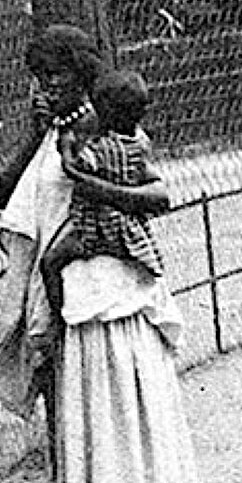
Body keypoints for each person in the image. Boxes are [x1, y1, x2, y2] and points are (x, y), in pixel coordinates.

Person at [0, 24, 200, 483]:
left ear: (81, 77)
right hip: (68, 288)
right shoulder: (54, 133)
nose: (44, 87)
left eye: (54, 77)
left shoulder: (106, 129)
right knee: (74, 412)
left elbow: (156, 194)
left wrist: (97, 194)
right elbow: (6, 193)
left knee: (109, 408)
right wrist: (37, 132)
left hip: (107, 283)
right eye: (38, 78)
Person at [39, 67, 164, 329]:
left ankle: (57, 319)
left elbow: (74, 169)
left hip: (94, 229)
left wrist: (66, 147)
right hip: (126, 228)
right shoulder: (140, 144)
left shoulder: (100, 148)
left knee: (50, 262)